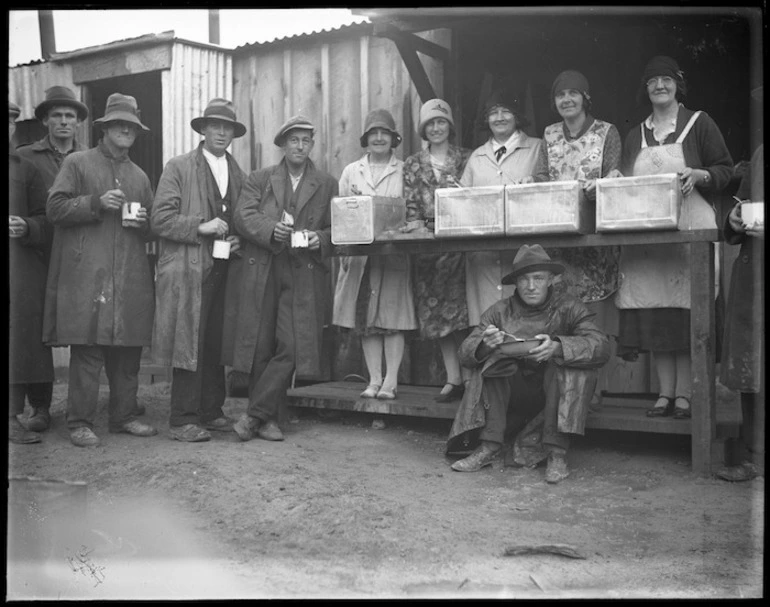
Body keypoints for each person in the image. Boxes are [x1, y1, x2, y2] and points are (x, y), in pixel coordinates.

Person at [616, 56, 734, 420]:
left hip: (689, 235)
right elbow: (624, 177)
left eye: (666, 80)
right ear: (646, 88)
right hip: (650, 243)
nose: (659, 86)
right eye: (652, 81)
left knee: (688, 316)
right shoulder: (636, 133)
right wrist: (618, 180)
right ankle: (664, 394)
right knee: (658, 317)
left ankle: (686, 395)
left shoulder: (700, 124)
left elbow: (727, 171)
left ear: (677, 84)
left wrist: (701, 175)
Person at [43, 93, 157, 447]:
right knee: (88, 350)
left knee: (126, 351)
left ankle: (123, 417)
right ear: (105, 128)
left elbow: (154, 225)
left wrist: (144, 222)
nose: (125, 131)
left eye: (131, 126)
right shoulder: (78, 163)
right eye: (118, 125)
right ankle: (79, 421)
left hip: (129, 274)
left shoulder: (139, 176)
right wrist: (96, 202)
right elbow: (54, 208)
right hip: (87, 274)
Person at [446, 245, 610, 483]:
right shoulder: (499, 311)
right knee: (494, 362)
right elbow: (465, 353)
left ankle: (557, 453)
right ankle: (489, 446)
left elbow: (601, 346)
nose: (531, 286)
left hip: (556, 395)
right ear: (516, 283)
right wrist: (486, 344)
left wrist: (558, 347)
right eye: (524, 279)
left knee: (566, 364)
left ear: (551, 280)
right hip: (514, 396)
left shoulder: (569, 307)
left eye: (538, 278)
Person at [223, 115, 339, 442]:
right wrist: (271, 229)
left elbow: (337, 228)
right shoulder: (260, 179)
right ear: (283, 145)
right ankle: (269, 419)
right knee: (261, 345)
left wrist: (322, 239)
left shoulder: (326, 184)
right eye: (294, 140)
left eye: (306, 140)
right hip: (263, 266)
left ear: (312, 145)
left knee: (291, 344)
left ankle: (253, 414)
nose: (300, 146)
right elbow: (243, 216)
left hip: (302, 271)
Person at [151, 99, 248, 442]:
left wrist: (238, 241)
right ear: (203, 130)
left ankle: (211, 411)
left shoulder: (237, 173)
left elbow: (242, 220)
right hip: (189, 268)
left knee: (215, 341)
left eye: (228, 128)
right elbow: (160, 219)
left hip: (225, 268)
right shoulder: (179, 167)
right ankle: (182, 419)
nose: (221, 133)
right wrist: (200, 227)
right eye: (215, 126)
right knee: (188, 341)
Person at [532, 70, 624, 404]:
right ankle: (564, 392)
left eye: (573, 93)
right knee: (562, 315)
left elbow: (615, 174)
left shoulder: (606, 132)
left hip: (595, 238)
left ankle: (594, 393)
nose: (567, 100)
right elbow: (542, 176)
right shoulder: (550, 135)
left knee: (595, 319)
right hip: (560, 237)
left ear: (586, 98)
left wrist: (603, 183)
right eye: (560, 95)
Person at [15, 85, 89, 433]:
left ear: (78, 123)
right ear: (45, 120)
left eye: (70, 116)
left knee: (84, 329)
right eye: (56, 115)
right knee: (35, 331)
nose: (63, 122)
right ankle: (40, 406)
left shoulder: (90, 159)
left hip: (80, 257)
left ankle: (84, 407)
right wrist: (28, 229)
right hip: (37, 256)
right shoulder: (25, 157)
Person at [332, 109, 417, 400]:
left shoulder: (405, 169)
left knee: (392, 318)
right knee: (366, 321)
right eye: (373, 134)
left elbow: (414, 212)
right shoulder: (351, 172)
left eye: (385, 133)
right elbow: (341, 212)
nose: (379, 138)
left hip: (393, 253)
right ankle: (373, 379)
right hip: (360, 256)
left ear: (393, 139)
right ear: (366, 139)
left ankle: (390, 382)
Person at [402, 98, 472, 402]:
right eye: (430, 123)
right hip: (429, 251)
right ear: (423, 129)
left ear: (450, 126)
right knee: (438, 320)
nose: (436, 128)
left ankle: (471, 379)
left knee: (464, 317)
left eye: (441, 122)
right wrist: (418, 227)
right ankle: (453, 378)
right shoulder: (413, 163)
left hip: (460, 247)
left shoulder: (467, 158)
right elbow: (410, 207)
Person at [461, 88, 543, 329]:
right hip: (483, 258)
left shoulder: (538, 148)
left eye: (505, 111)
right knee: (488, 328)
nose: (499, 117)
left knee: (528, 326)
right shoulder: (476, 157)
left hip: (522, 256)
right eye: (493, 112)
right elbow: (461, 204)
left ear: (517, 116)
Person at [717, 136, 764, 482]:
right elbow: (744, 206)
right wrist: (733, 220)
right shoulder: (761, 154)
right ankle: (754, 455)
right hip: (755, 273)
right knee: (754, 366)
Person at [9, 101, 53, 445]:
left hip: (20, 269)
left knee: (24, 337)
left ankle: (24, 414)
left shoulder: (25, 168)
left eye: (9, 123)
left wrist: (27, 226)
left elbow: (47, 218)